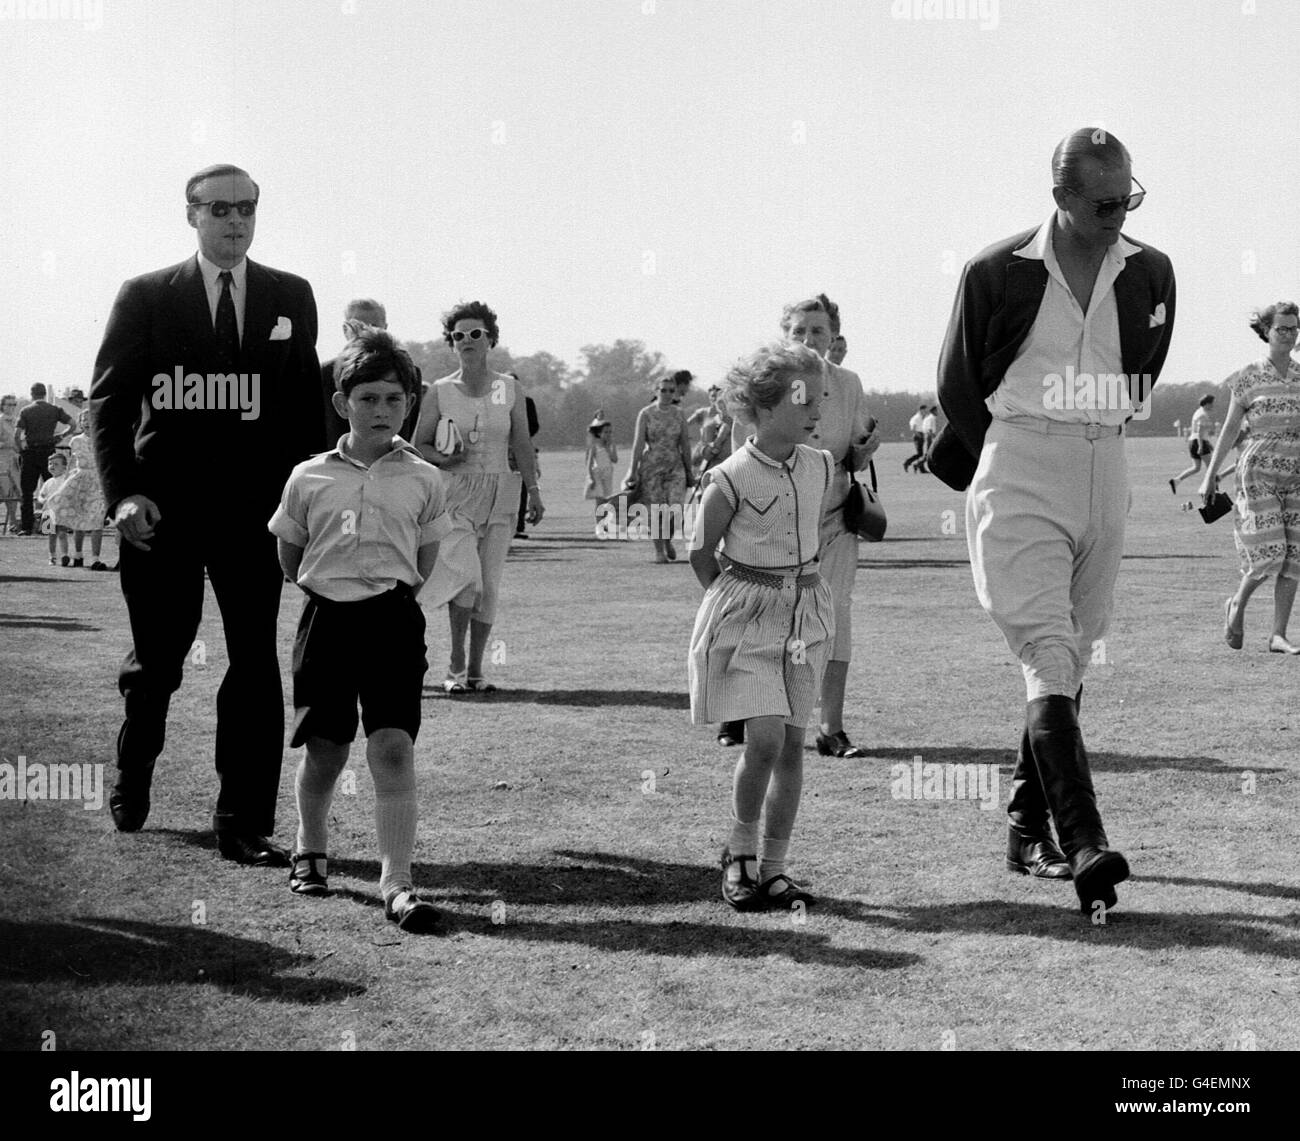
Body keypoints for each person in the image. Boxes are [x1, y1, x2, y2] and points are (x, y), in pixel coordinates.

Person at [933, 128, 1175, 915]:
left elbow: (1146, 365)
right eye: (1104, 203)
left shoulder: (1152, 271)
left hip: (1107, 464)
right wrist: (1018, 446)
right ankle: (1083, 841)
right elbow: (958, 385)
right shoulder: (993, 272)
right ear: (1060, 197)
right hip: (1023, 460)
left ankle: (1024, 826)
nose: (1119, 215)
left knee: (1072, 654)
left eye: (1129, 198)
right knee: (1045, 645)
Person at [89, 163, 325, 863]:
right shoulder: (146, 296)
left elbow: (302, 412)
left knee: (254, 659)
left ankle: (243, 818)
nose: (236, 220)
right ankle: (136, 765)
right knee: (159, 661)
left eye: (247, 207)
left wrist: (310, 500)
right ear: (190, 213)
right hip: (161, 511)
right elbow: (110, 401)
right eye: (220, 207)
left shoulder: (291, 295)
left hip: (257, 515)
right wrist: (124, 493)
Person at [270, 328, 451, 932]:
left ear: (410, 404)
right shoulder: (308, 476)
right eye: (368, 397)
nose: (381, 410)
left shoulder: (424, 478)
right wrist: (334, 590)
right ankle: (309, 846)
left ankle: (397, 882)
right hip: (327, 619)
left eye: (394, 399)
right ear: (341, 402)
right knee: (326, 749)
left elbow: (424, 561)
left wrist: (385, 596)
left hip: (393, 621)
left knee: (392, 748)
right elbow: (291, 558)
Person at [689, 341, 835, 911]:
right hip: (749, 618)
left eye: (820, 397)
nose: (817, 408)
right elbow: (702, 554)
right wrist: (737, 603)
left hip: (808, 615)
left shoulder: (822, 467)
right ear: (765, 407)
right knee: (766, 738)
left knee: (794, 745)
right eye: (805, 398)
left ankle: (774, 868)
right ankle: (739, 852)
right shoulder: (728, 477)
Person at [727, 294, 879, 756]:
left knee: (835, 619)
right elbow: (740, 456)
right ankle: (747, 712)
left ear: (834, 337)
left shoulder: (848, 383)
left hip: (833, 521)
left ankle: (831, 728)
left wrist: (862, 449)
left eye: (818, 331)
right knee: (767, 618)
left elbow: (855, 442)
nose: (808, 339)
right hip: (772, 520)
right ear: (784, 334)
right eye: (798, 331)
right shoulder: (767, 382)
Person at [413, 301, 544, 693]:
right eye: (459, 336)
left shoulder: (509, 387)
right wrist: (445, 457)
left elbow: (521, 441)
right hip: (455, 493)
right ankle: (454, 668)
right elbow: (419, 445)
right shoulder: (439, 391)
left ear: (490, 339)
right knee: (467, 581)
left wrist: (534, 491)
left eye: (475, 334)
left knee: (489, 585)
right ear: (451, 344)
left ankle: (476, 671)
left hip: (502, 492)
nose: (467, 341)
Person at [1199, 302, 1300, 654]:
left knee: (1294, 557)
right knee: (1268, 551)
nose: (1288, 334)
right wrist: (1210, 476)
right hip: (1258, 472)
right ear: (1267, 332)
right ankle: (1237, 604)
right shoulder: (1248, 376)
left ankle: (1278, 634)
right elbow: (1229, 429)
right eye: (1282, 328)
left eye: (1293, 328)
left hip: (1296, 472)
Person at [321, 299, 422, 446]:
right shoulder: (325, 373)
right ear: (345, 329)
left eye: (374, 326)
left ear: (385, 328)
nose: (365, 332)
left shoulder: (407, 371)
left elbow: (407, 425)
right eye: (359, 326)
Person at [626, 375, 694, 563]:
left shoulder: (679, 413)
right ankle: (659, 551)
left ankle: (667, 540)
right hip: (652, 468)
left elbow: (685, 444)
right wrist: (632, 471)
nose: (667, 394)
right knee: (656, 510)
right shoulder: (646, 414)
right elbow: (638, 444)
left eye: (671, 390)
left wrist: (689, 470)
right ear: (656, 391)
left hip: (675, 467)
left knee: (676, 509)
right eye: (663, 390)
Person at [16, 382, 72, 535]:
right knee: (53, 489)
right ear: (44, 394)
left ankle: (27, 527)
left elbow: (17, 435)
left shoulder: (25, 411)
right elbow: (73, 424)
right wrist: (61, 436)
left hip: (31, 452)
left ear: (32, 394)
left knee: (27, 492)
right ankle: (48, 526)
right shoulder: (54, 410)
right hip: (49, 451)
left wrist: (21, 450)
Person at [57, 409, 110, 569]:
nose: (87, 422)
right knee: (79, 521)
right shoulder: (75, 441)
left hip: (98, 482)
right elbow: (76, 461)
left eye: (90, 419)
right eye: (84, 420)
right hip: (81, 482)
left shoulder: (103, 438)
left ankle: (95, 558)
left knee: (97, 520)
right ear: (80, 423)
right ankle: (78, 555)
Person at [509, 378, 540, 538]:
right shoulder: (495, 403)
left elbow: (534, 425)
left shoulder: (527, 402)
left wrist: (520, 437)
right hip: (501, 450)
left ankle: (518, 525)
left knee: (521, 487)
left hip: (520, 448)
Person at [1169, 394, 1216, 492]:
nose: (1213, 406)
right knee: (1211, 467)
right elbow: (1199, 432)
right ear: (1207, 404)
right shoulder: (1203, 415)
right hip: (1199, 442)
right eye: (1211, 404)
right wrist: (1201, 445)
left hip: (1192, 441)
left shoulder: (1198, 412)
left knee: (1196, 467)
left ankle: (1176, 480)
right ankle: (1211, 489)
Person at [35, 451, 72, 565]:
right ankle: (52, 557)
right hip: (48, 512)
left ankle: (65, 555)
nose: (52, 466)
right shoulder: (47, 482)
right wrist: (43, 500)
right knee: (51, 536)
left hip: (61, 512)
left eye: (56, 464)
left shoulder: (66, 480)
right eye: (50, 464)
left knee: (62, 533)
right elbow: (40, 496)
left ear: (64, 467)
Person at [584, 412, 617, 513]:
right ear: (599, 433)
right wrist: (591, 478)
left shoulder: (612, 445)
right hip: (597, 474)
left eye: (610, 432)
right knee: (599, 500)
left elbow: (615, 460)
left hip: (608, 474)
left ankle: (605, 522)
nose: (608, 434)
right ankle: (599, 524)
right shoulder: (594, 446)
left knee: (607, 499)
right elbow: (589, 464)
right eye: (605, 432)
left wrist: (608, 449)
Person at [0, 395, 20, 533]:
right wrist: (6, 444)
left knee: (17, 493)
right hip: (2, 460)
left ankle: (14, 523)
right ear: (2, 406)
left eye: (14, 404)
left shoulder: (17, 420)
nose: (11, 407)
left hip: (16, 460)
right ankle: (12, 523)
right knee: (6, 493)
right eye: (8, 404)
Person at [902, 402, 928, 472]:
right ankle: (907, 462)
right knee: (920, 454)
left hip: (921, 434)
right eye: (925, 410)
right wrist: (919, 435)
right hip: (918, 436)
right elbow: (913, 428)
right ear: (921, 410)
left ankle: (921, 468)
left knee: (920, 453)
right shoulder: (916, 418)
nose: (926, 412)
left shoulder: (922, 418)